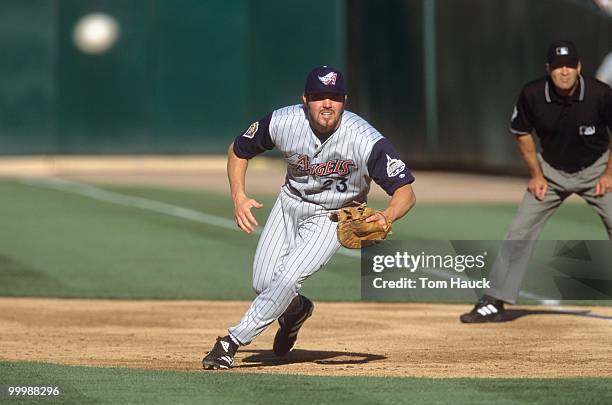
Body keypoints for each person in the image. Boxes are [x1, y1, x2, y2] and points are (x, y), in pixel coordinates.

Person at [202, 66, 416, 369]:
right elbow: (238, 150)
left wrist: (388, 214)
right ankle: (297, 311)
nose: (326, 103)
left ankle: (231, 341)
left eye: (334, 96)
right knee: (265, 282)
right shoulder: (283, 121)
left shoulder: (365, 139)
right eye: (319, 96)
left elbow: (405, 190)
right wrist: (238, 195)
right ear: (305, 99)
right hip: (289, 203)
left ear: (344, 100)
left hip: (334, 215)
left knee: (288, 277)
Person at [460, 40, 612, 323]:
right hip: (551, 172)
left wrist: (609, 174)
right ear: (548, 69)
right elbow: (521, 131)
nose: (564, 72)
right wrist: (536, 174)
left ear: (579, 67)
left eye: (569, 66)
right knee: (520, 230)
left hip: (596, 170)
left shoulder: (600, 94)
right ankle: (494, 301)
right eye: (557, 67)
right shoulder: (532, 94)